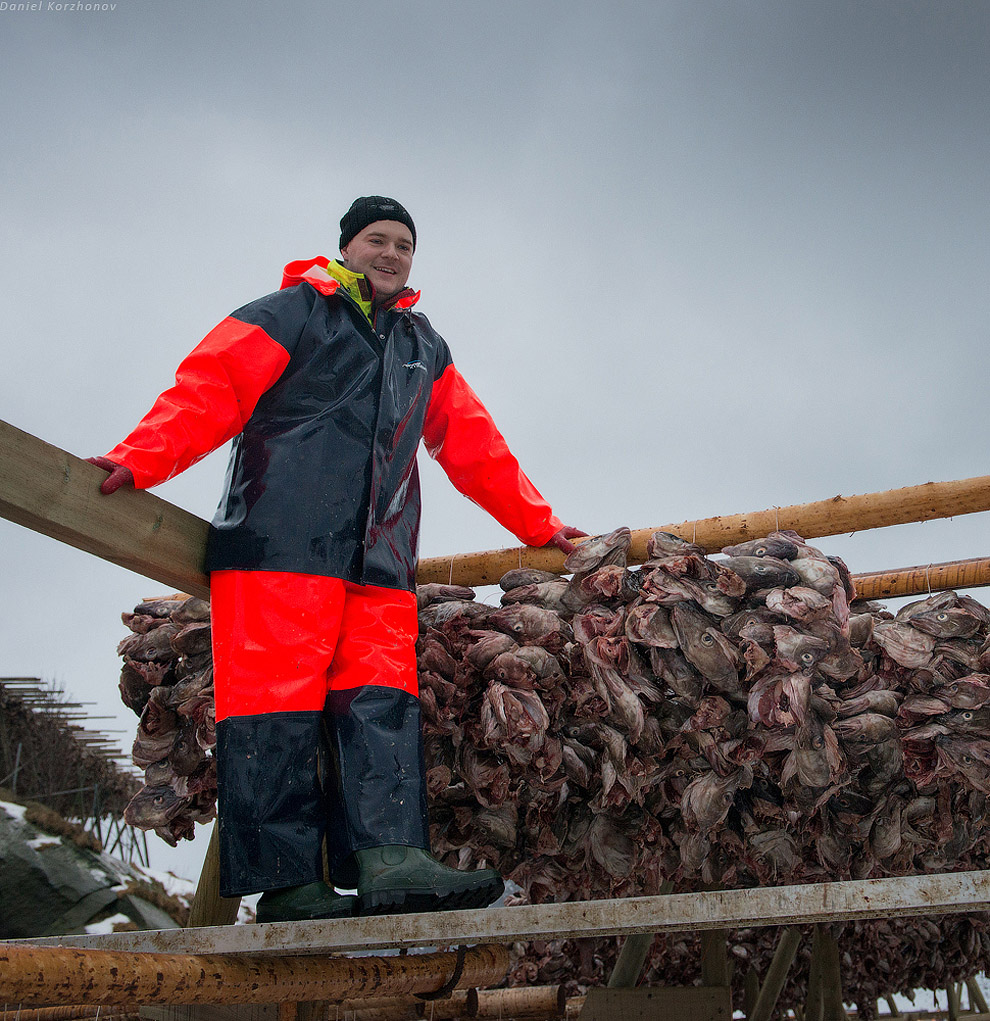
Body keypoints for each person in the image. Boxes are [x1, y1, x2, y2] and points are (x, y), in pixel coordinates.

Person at [88, 196, 585, 923]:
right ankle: (289, 884)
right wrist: (136, 459)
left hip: (380, 564)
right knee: (272, 708)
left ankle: (390, 861)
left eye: (404, 245)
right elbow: (207, 391)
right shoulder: (291, 311)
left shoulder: (424, 345)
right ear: (347, 247)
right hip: (278, 548)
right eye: (377, 240)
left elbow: (475, 446)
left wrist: (541, 524)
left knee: (382, 706)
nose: (391, 253)